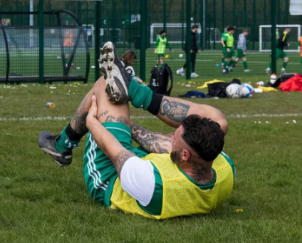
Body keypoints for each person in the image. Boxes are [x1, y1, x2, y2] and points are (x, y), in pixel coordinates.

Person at [37, 42, 234, 219]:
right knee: (219, 123)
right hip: (150, 164)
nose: (170, 136)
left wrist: (92, 120)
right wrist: (127, 125)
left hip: (111, 175)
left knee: (106, 86)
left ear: (183, 155)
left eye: (174, 137)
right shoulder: (224, 168)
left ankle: (64, 144)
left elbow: (113, 149)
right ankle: (134, 90)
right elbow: (186, 145)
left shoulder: (154, 184)